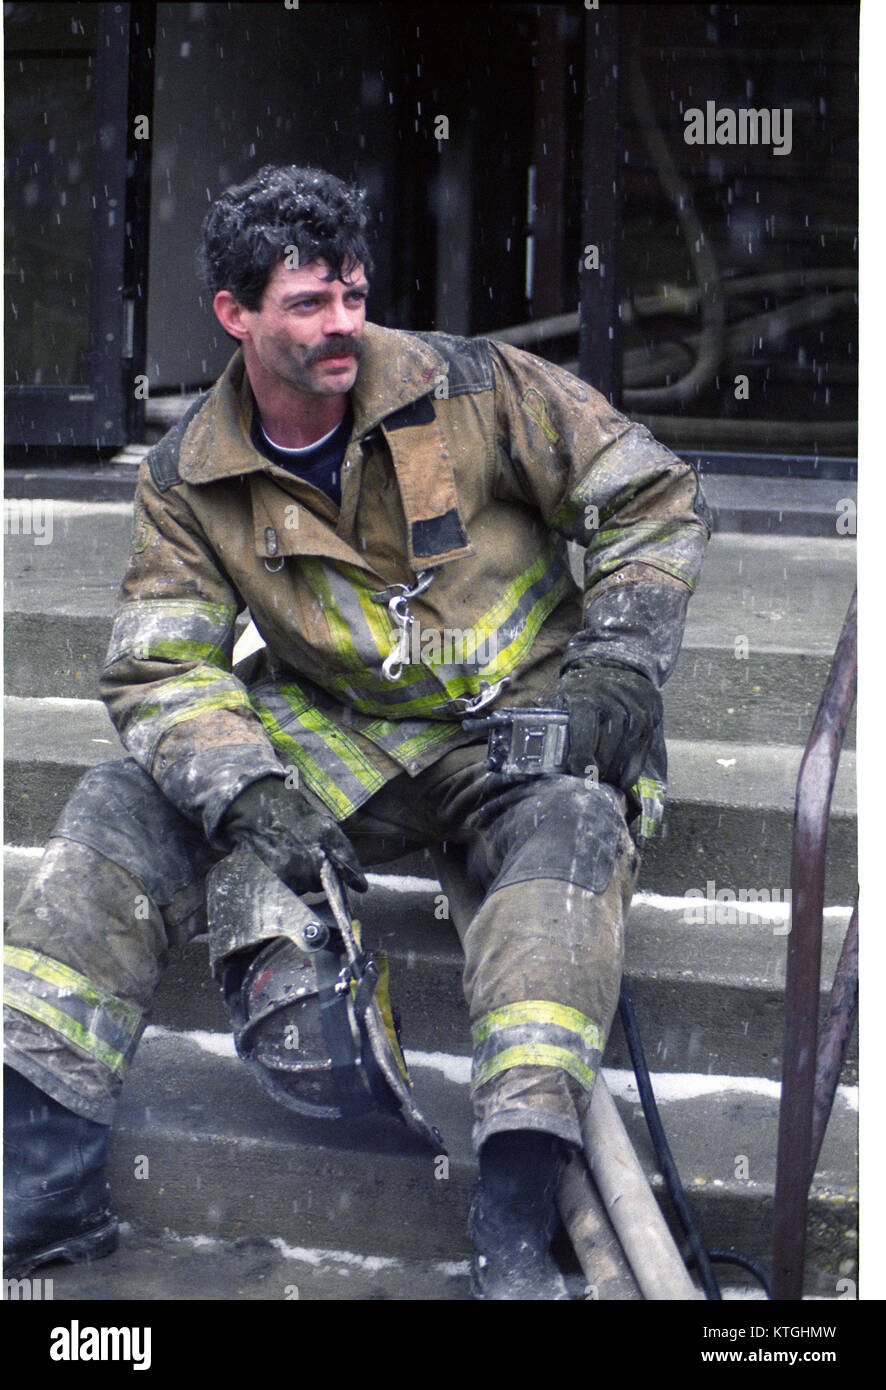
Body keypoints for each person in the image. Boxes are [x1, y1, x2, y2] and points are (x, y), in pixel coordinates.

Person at [3, 164, 711, 1299]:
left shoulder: (475, 386)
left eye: (352, 294)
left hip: (523, 724)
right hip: (339, 737)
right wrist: (246, 791)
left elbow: (651, 493)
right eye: (307, 304)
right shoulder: (190, 474)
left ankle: (515, 1221)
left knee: (571, 840)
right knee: (118, 809)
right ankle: (40, 1203)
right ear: (233, 315)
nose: (343, 325)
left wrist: (619, 667)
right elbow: (161, 661)